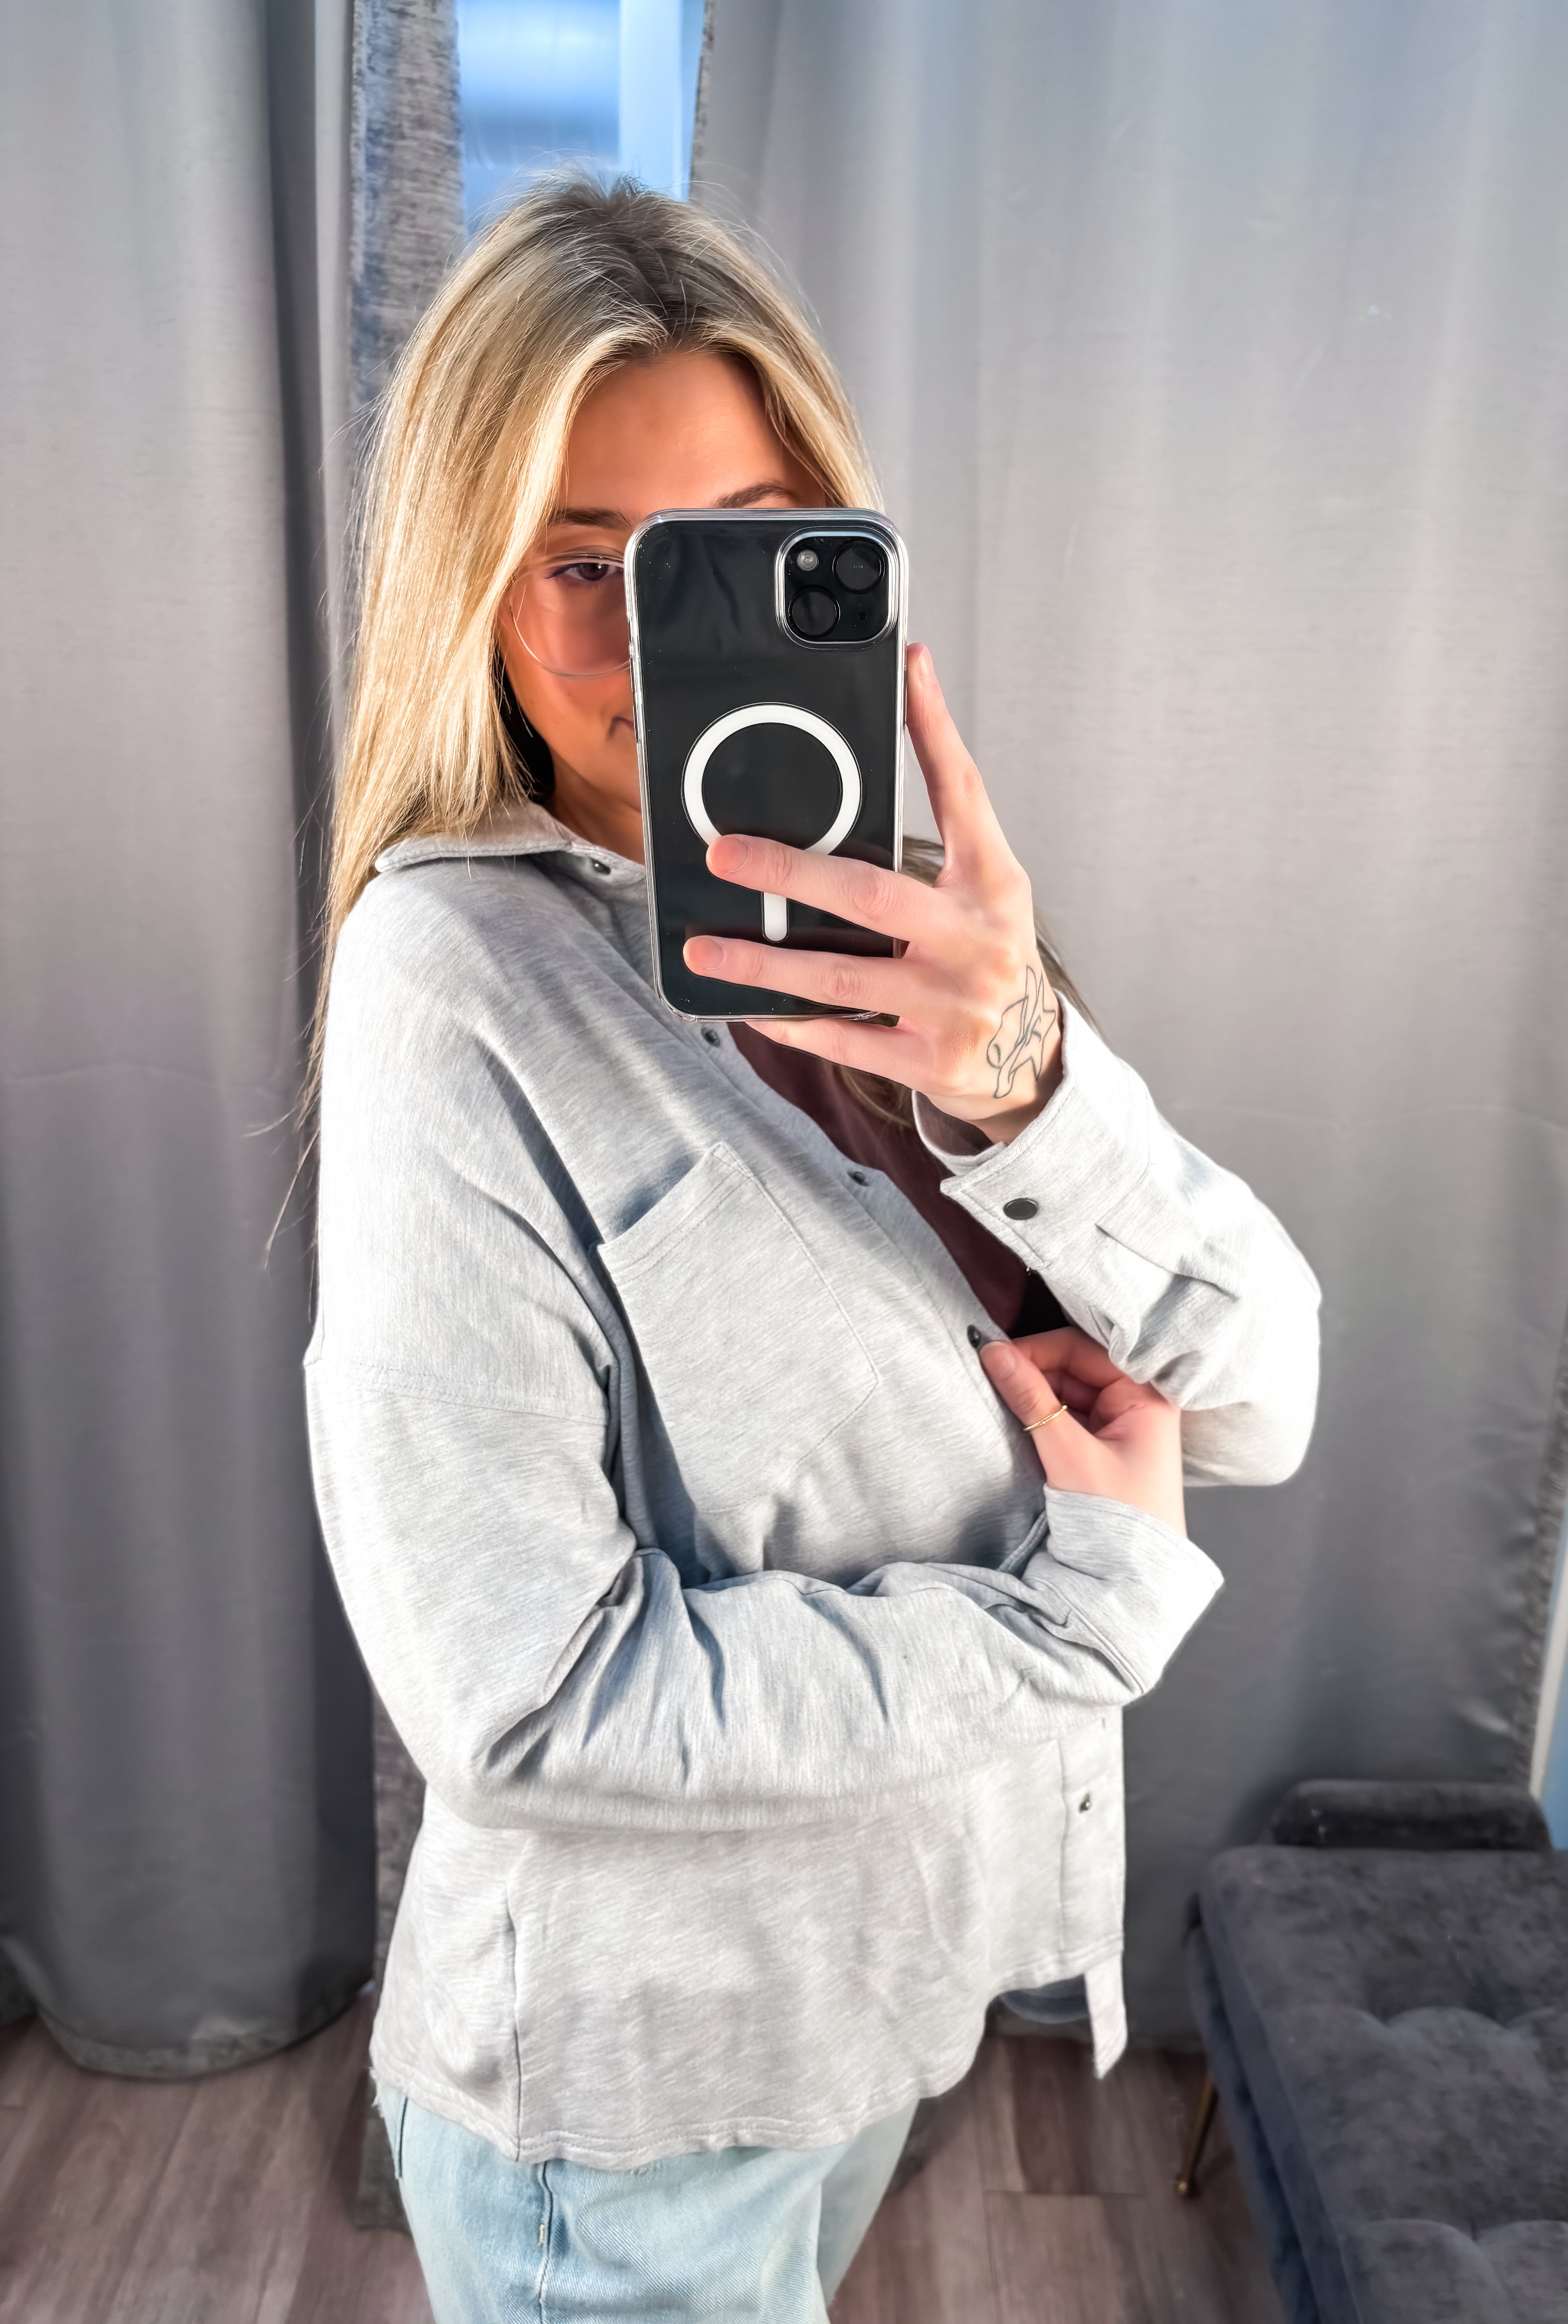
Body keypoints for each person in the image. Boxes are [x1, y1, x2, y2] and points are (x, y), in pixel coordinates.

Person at [306, 175, 1321, 2323]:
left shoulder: (933, 937)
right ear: (469, 588)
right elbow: (526, 1698)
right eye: (586, 564)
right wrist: (1073, 1619)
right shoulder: (451, 986)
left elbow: (1259, 1397)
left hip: (874, 2011)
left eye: (744, 550)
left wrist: (1025, 1078)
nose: (665, 644)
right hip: (630, 2116)